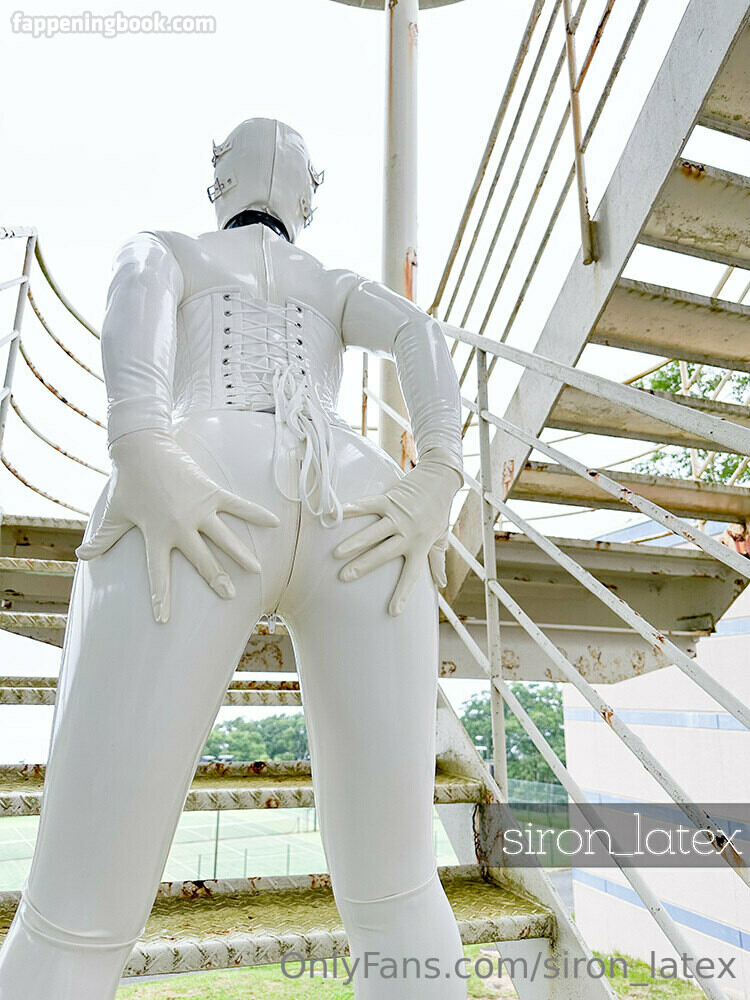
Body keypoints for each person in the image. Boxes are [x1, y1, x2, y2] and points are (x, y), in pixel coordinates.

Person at [0, 118, 465, 999]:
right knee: (399, 892)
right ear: (306, 199)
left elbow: (136, 291)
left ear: (221, 181)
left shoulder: (172, 246)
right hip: (357, 493)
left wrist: (139, 440)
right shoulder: (331, 282)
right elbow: (420, 332)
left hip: (197, 473)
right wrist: (440, 472)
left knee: (76, 912)